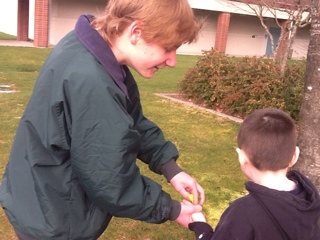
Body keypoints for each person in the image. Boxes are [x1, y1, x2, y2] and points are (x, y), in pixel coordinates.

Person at [0, 0, 205, 239]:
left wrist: (170, 168)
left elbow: (132, 120)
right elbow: (110, 180)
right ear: (136, 32)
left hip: (38, 194)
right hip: (53, 216)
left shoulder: (92, 49)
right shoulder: (92, 81)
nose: (172, 61)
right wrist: (172, 209)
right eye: (168, 47)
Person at [188, 108, 320, 240]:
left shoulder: (242, 214)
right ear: (295, 156)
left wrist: (201, 227)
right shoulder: (311, 203)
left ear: (242, 158)